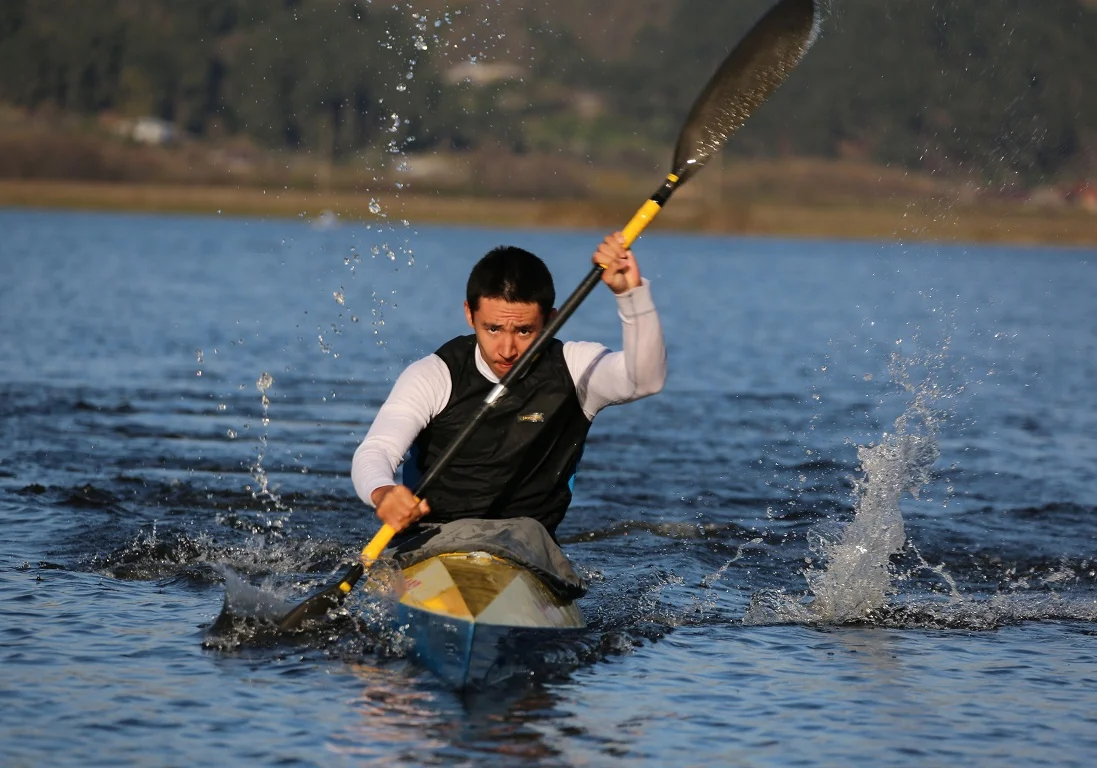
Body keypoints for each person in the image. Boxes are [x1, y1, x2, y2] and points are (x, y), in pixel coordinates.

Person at [351, 231, 666, 550]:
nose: (507, 349)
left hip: (527, 552)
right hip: (429, 542)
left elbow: (644, 379)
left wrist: (632, 296)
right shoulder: (434, 375)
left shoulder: (575, 368)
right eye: (493, 328)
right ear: (469, 314)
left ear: (551, 322)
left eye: (525, 331)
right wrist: (384, 493)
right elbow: (376, 450)